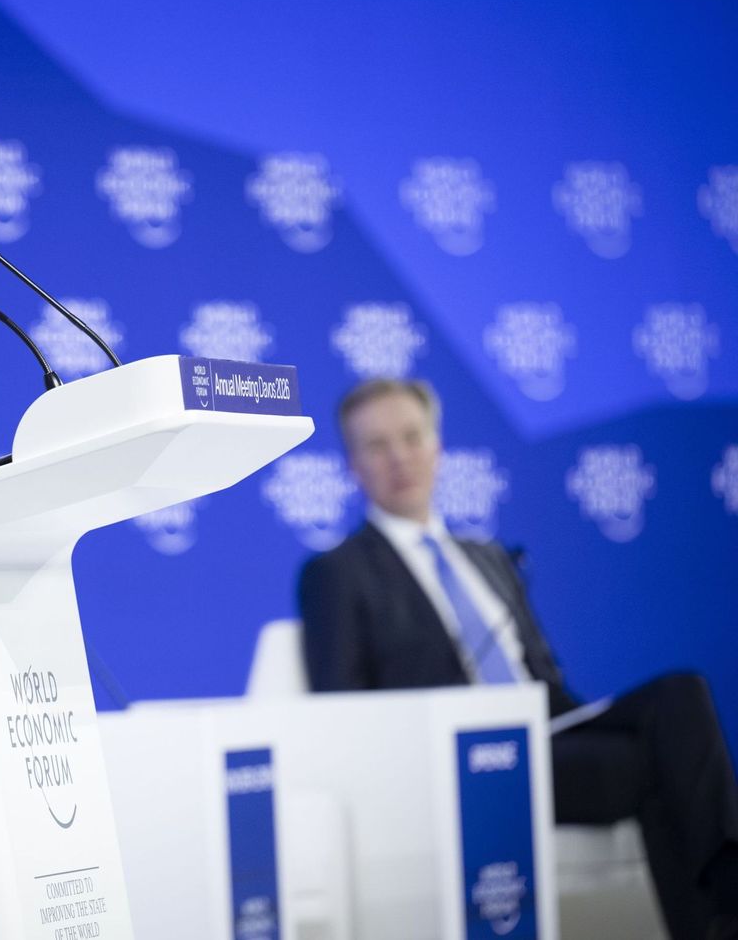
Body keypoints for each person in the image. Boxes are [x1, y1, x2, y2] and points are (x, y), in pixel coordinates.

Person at [298, 377, 738, 939]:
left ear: (437, 446)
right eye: (376, 445)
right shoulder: (338, 573)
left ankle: (722, 910)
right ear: (352, 464)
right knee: (657, 772)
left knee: (680, 695)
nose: (399, 458)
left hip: (550, 734)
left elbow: (547, 682)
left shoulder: (487, 557)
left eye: (412, 437)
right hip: (462, 763)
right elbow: (341, 712)